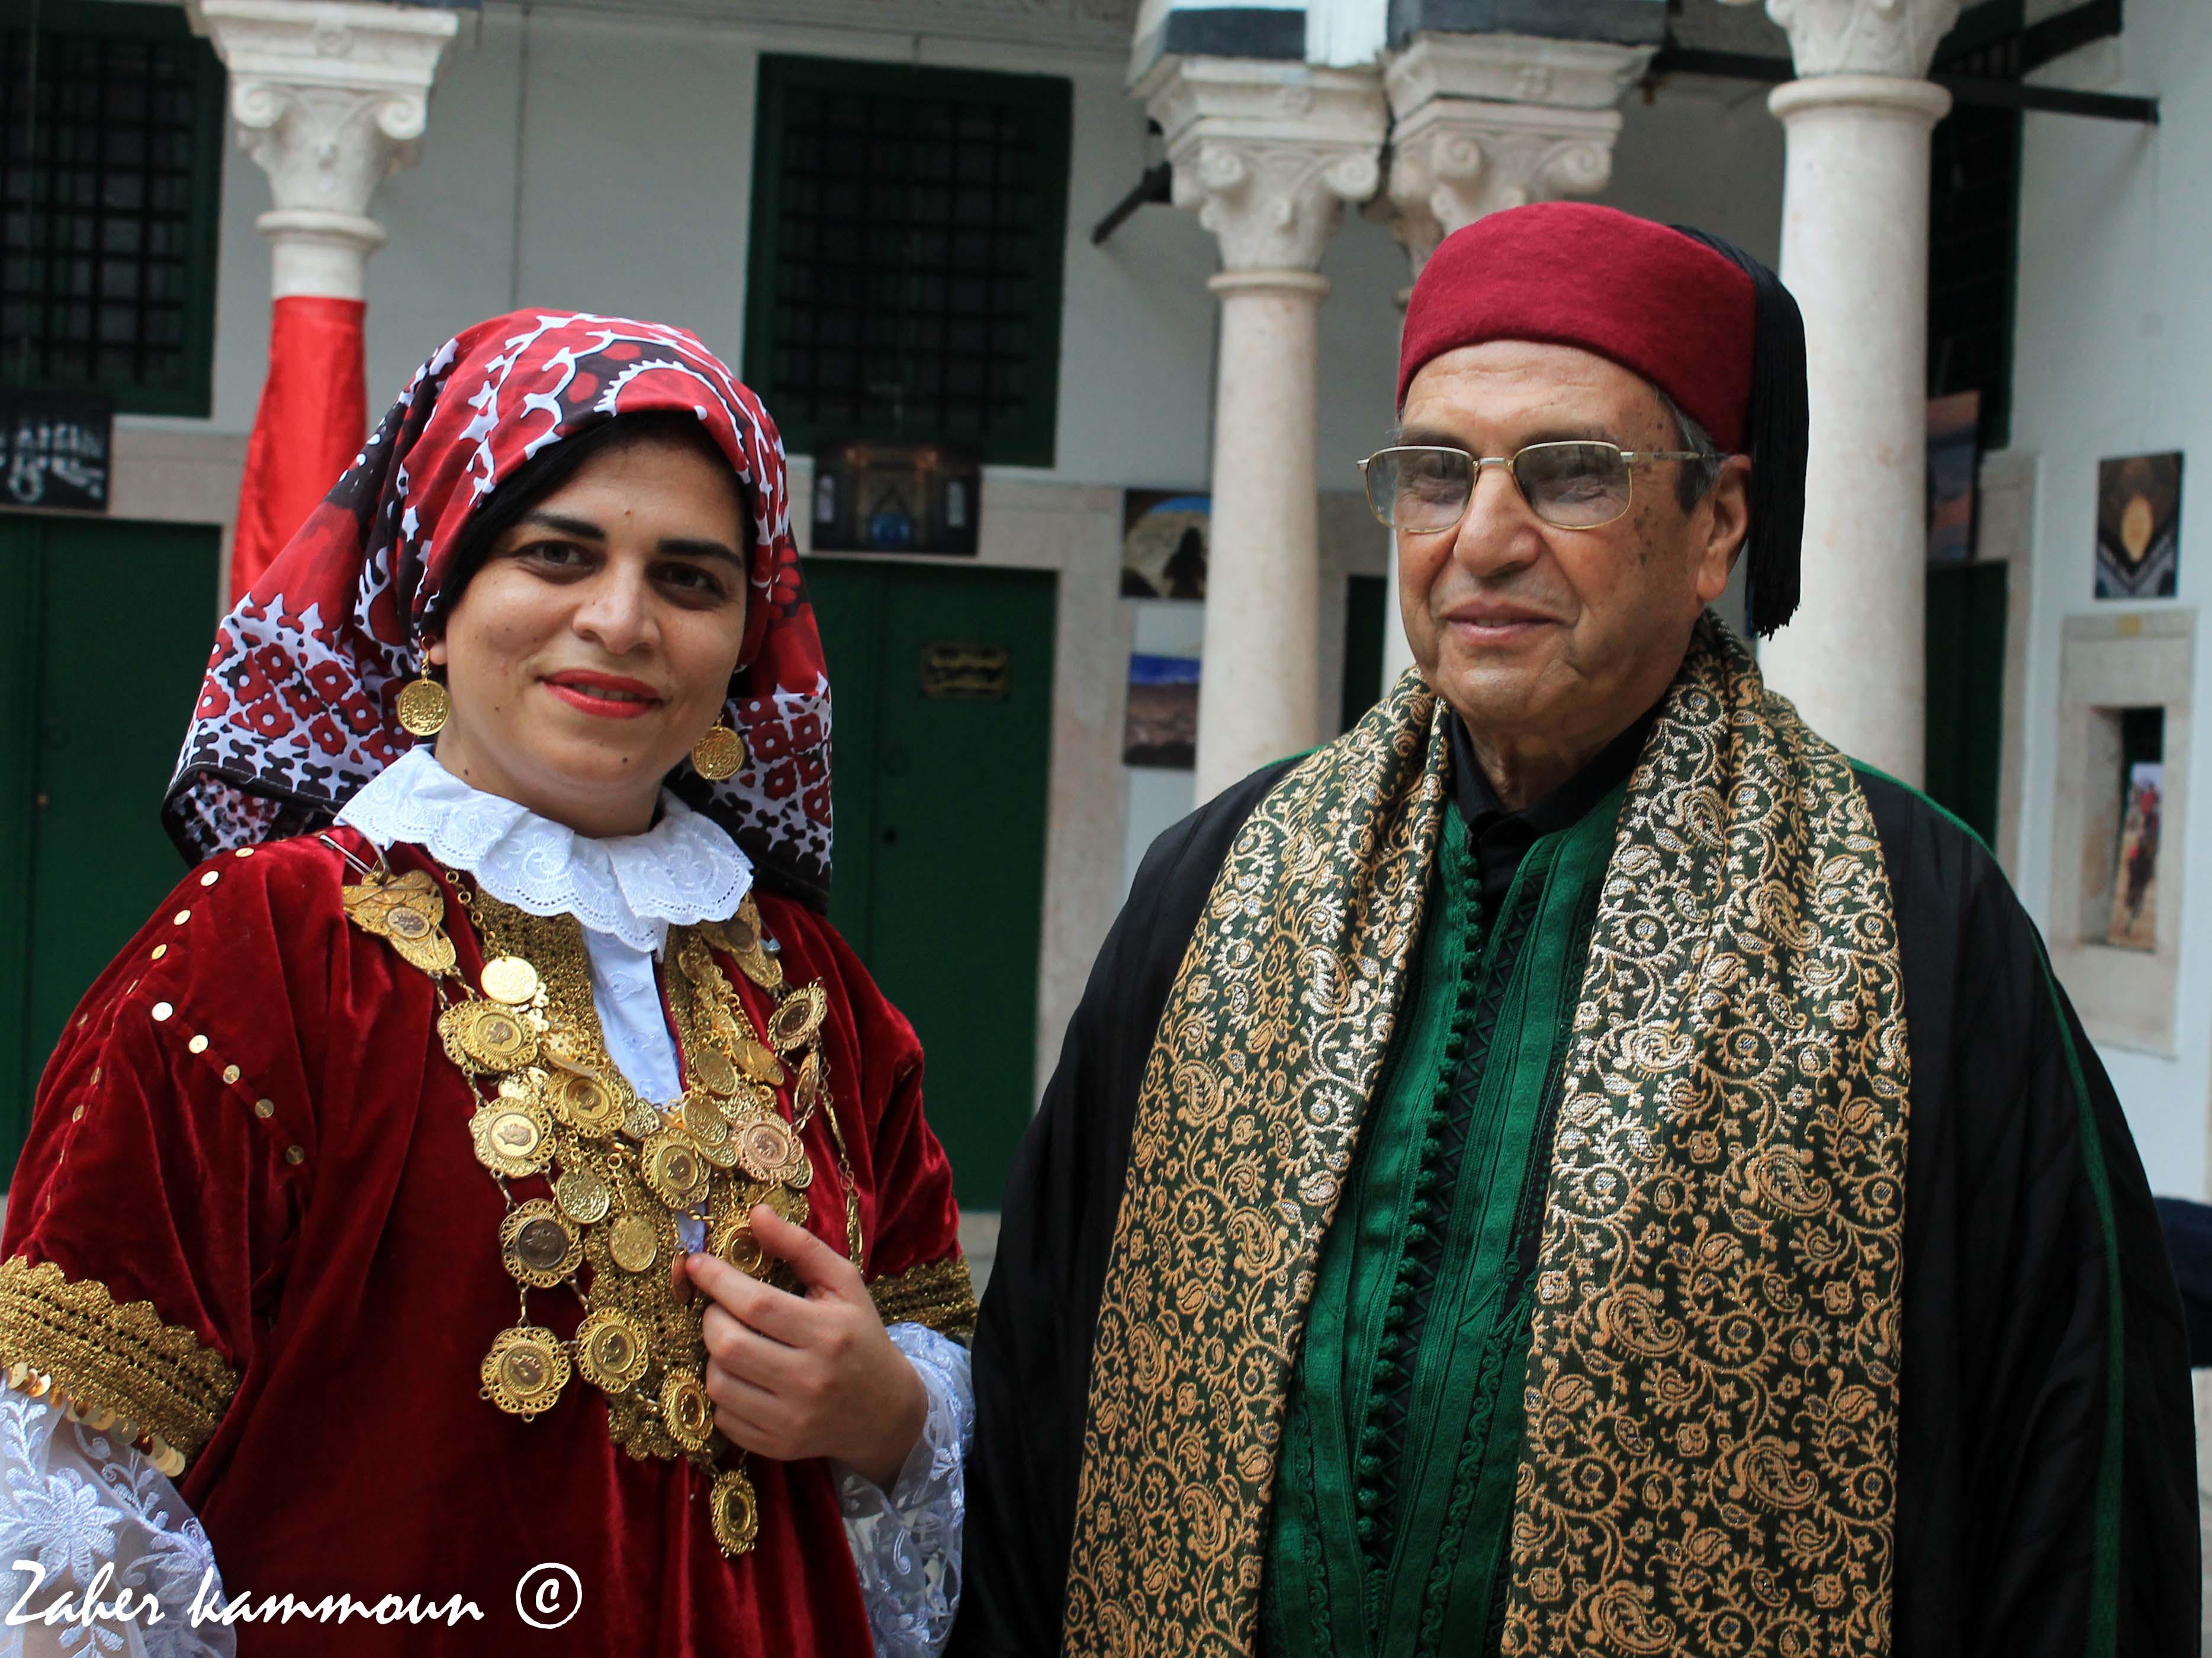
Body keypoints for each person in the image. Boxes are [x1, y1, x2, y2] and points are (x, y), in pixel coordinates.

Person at [953, 204, 2198, 1658]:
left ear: (1714, 524)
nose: (1483, 535)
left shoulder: (1915, 931)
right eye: (1433, 473)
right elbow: (1043, 1393)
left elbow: (2074, 1478)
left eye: (1569, 473)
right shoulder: (1213, 886)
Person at [0, 312, 976, 1655]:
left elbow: (943, 1374)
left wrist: (891, 1415)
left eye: (689, 579)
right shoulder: (261, 950)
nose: (620, 619)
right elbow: (67, 1474)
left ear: (746, 641)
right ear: (436, 596)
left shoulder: (817, 992)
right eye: (555, 554)